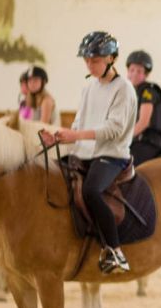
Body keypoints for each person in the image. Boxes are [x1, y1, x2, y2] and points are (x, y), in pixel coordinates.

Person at [37, 32, 138, 274]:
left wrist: (76, 136)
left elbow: (114, 129)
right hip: (84, 151)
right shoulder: (89, 88)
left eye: (95, 60)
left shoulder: (124, 89)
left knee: (91, 190)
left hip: (112, 154)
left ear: (111, 58)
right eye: (87, 60)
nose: (89, 65)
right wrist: (58, 137)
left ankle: (115, 250)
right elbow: (78, 125)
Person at [125, 49, 161, 165]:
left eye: (139, 71)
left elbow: (143, 122)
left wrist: (124, 138)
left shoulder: (148, 91)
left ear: (146, 74)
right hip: (138, 140)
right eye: (132, 70)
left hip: (150, 142)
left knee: (123, 162)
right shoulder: (132, 93)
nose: (134, 74)